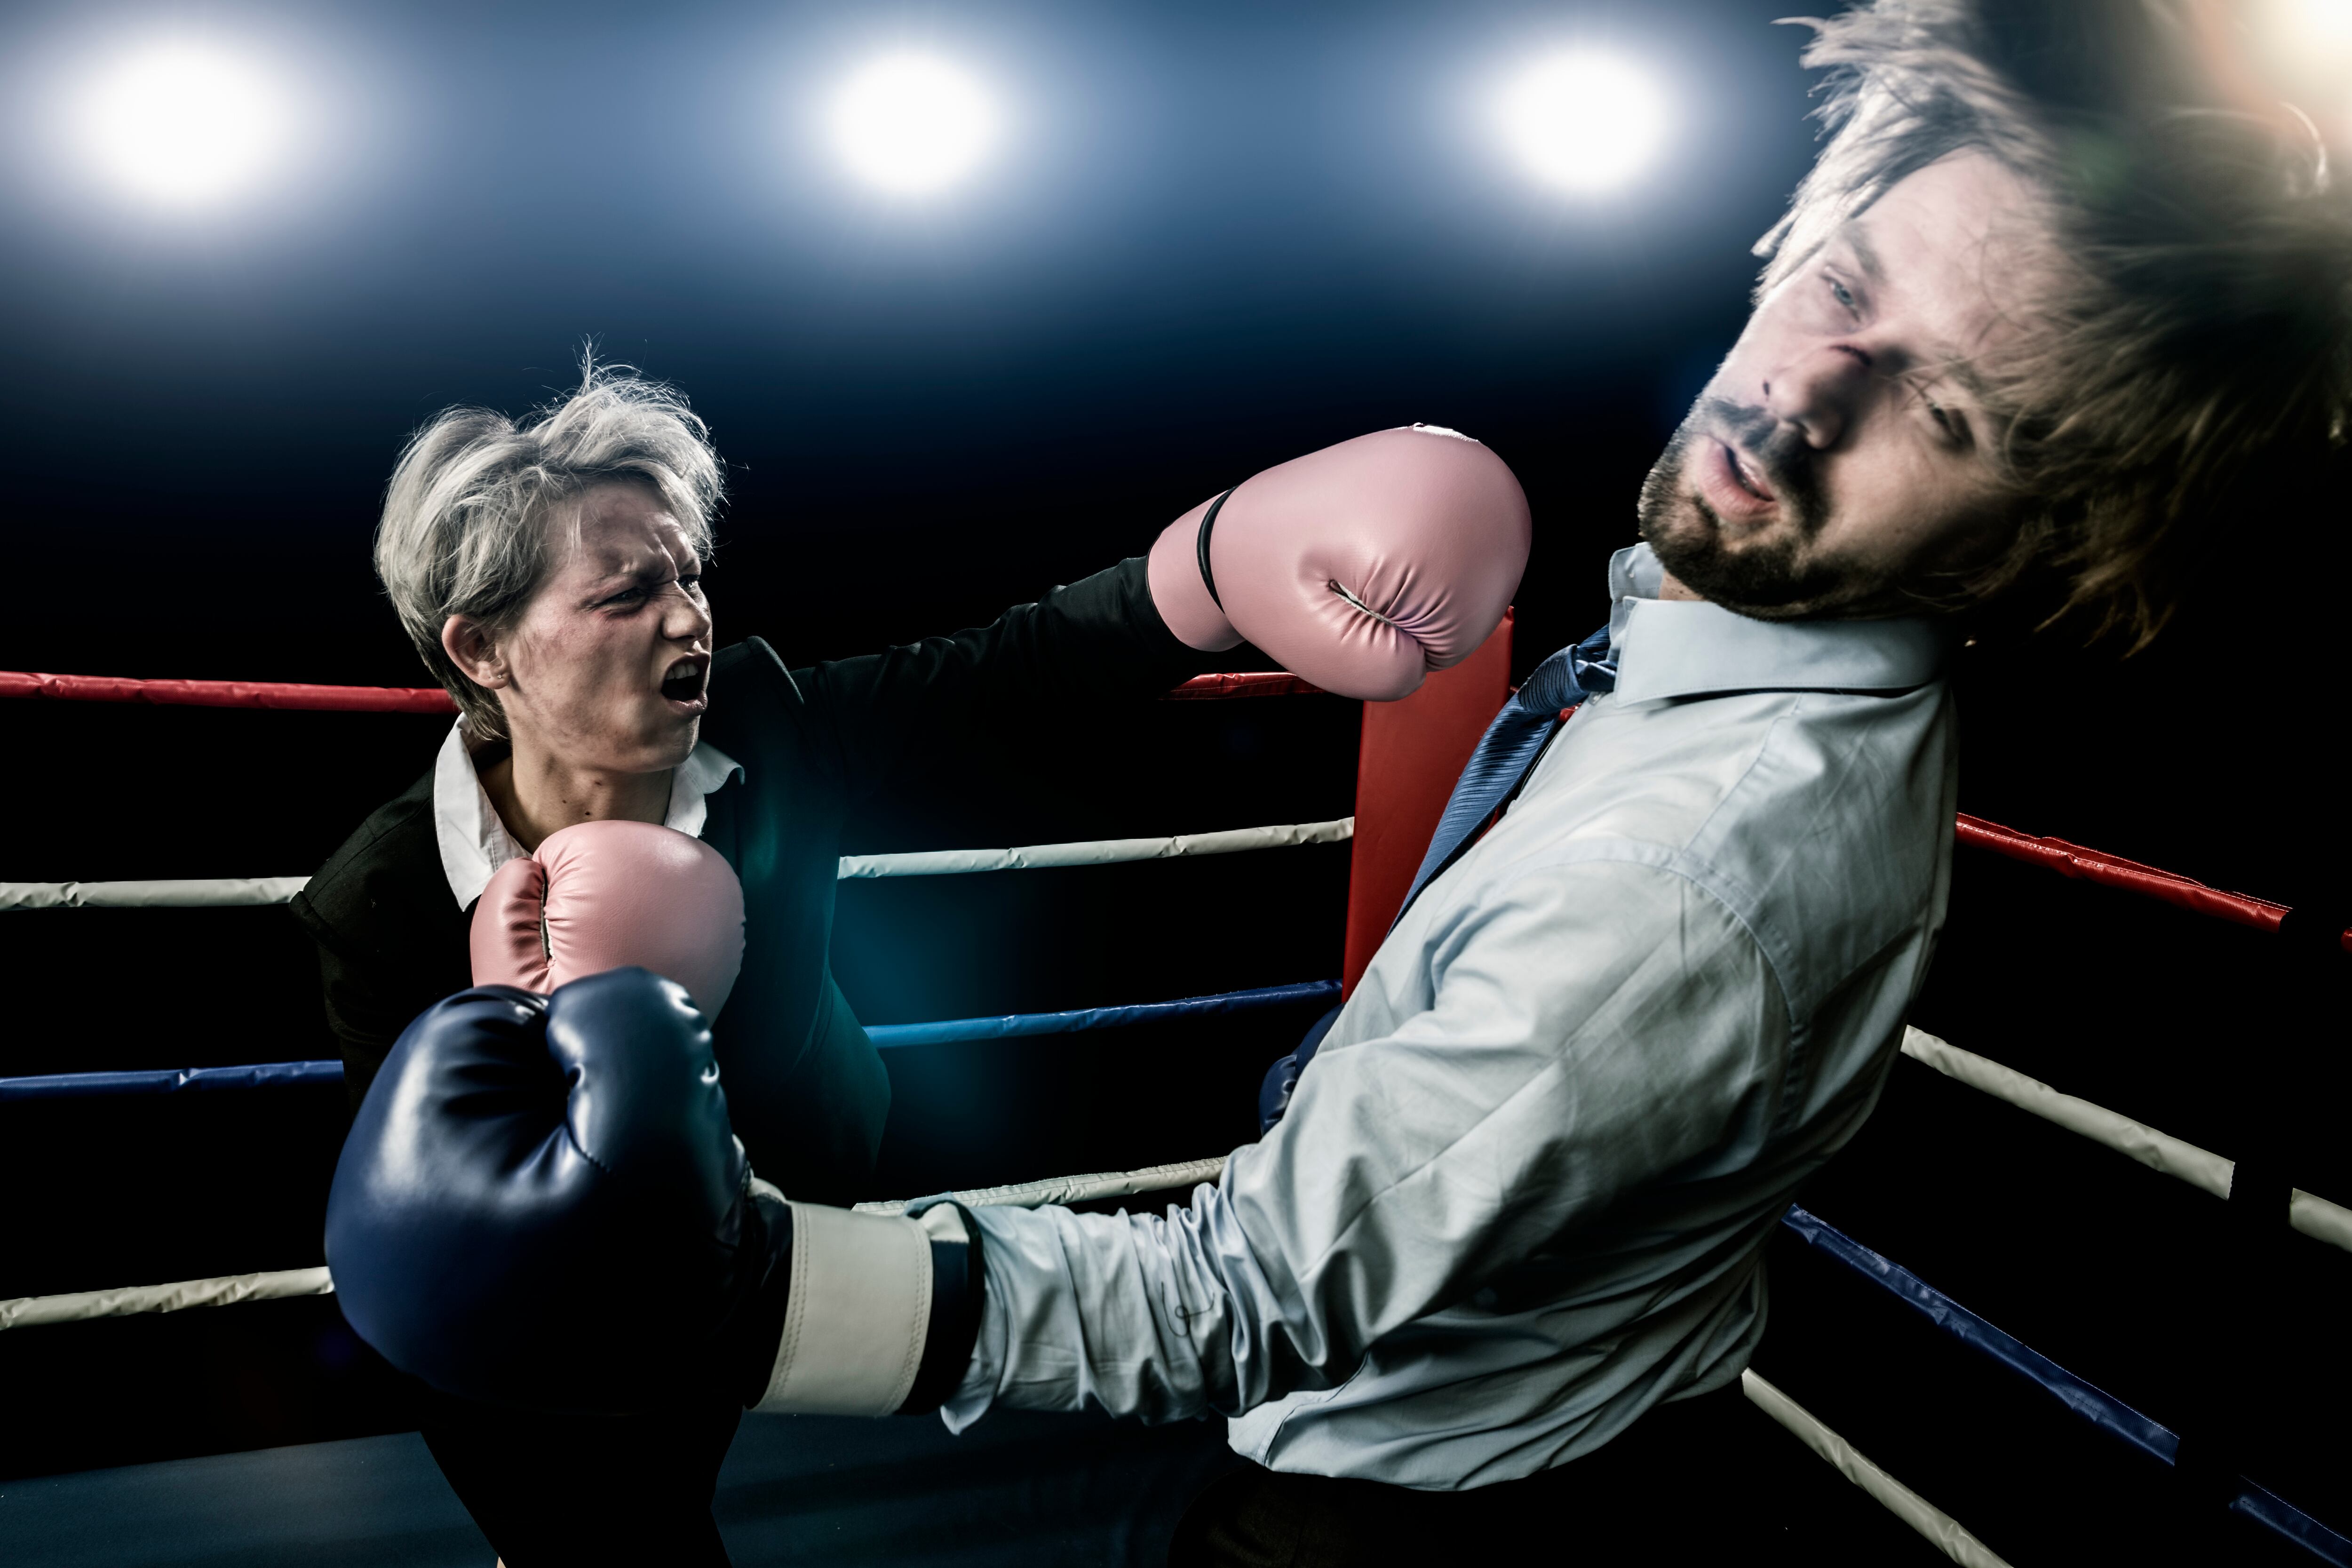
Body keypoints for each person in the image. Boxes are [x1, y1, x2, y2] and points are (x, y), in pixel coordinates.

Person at [321, 3, 2352, 1563]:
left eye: (1944, 411)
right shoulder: (1695, 674)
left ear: (2061, 528)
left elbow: (1244, 1278)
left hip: (1377, 1488)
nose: (1792, 402)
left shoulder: (1680, 881)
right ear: (477, 647)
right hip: (1478, 1401)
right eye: (1840, 290)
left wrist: (1201, 562)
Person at [290, 379, 1528, 1566]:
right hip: (570, 1307)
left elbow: (1011, 673)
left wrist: (1210, 566)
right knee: (596, 1524)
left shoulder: (766, 727)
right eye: (627, 594)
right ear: (483, 648)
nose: (688, 616)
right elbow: (415, 1243)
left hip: (806, 1182)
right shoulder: (385, 902)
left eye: (689, 574)